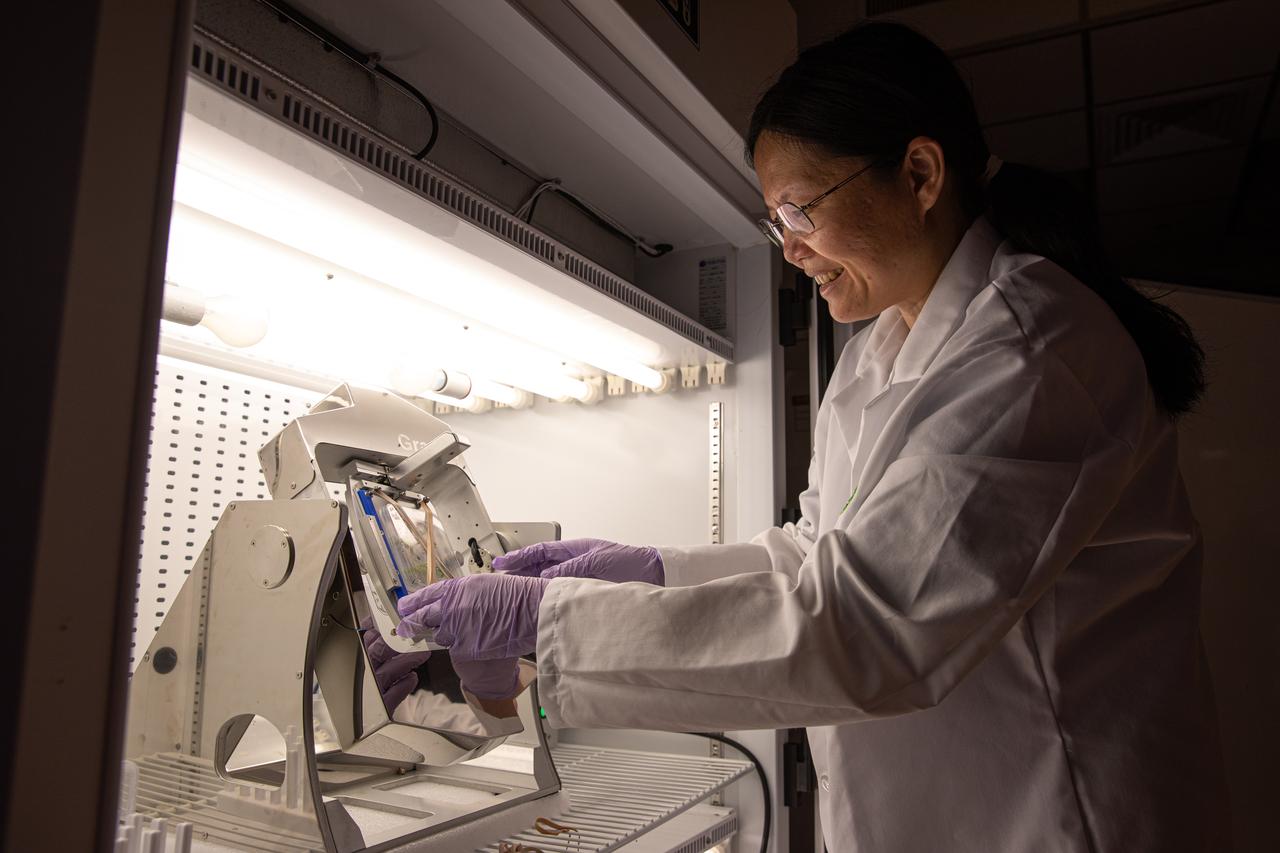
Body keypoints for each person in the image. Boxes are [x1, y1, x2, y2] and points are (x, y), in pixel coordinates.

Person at [395, 21, 1231, 852]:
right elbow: (820, 551)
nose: (791, 249)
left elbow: (869, 625)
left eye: (799, 209)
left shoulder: (1032, 351)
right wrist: (654, 573)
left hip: (1058, 816)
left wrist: (551, 623)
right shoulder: (877, 353)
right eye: (774, 223)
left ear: (920, 173)